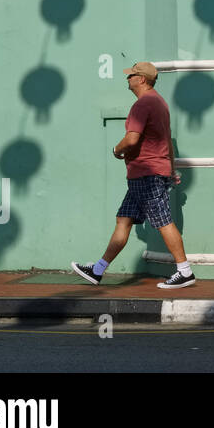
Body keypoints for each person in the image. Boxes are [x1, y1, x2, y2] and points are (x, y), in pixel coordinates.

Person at [71, 62, 196, 289]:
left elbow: (131, 139)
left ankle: (185, 271)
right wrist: (169, 168)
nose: (127, 79)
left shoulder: (143, 105)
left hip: (146, 174)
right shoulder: (160, 103)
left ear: (142, 79)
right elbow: (166, 139)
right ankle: (97, 270)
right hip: (147, 173)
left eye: (131, 76)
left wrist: (116, 150)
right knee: (124, 219)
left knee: (163, 221)